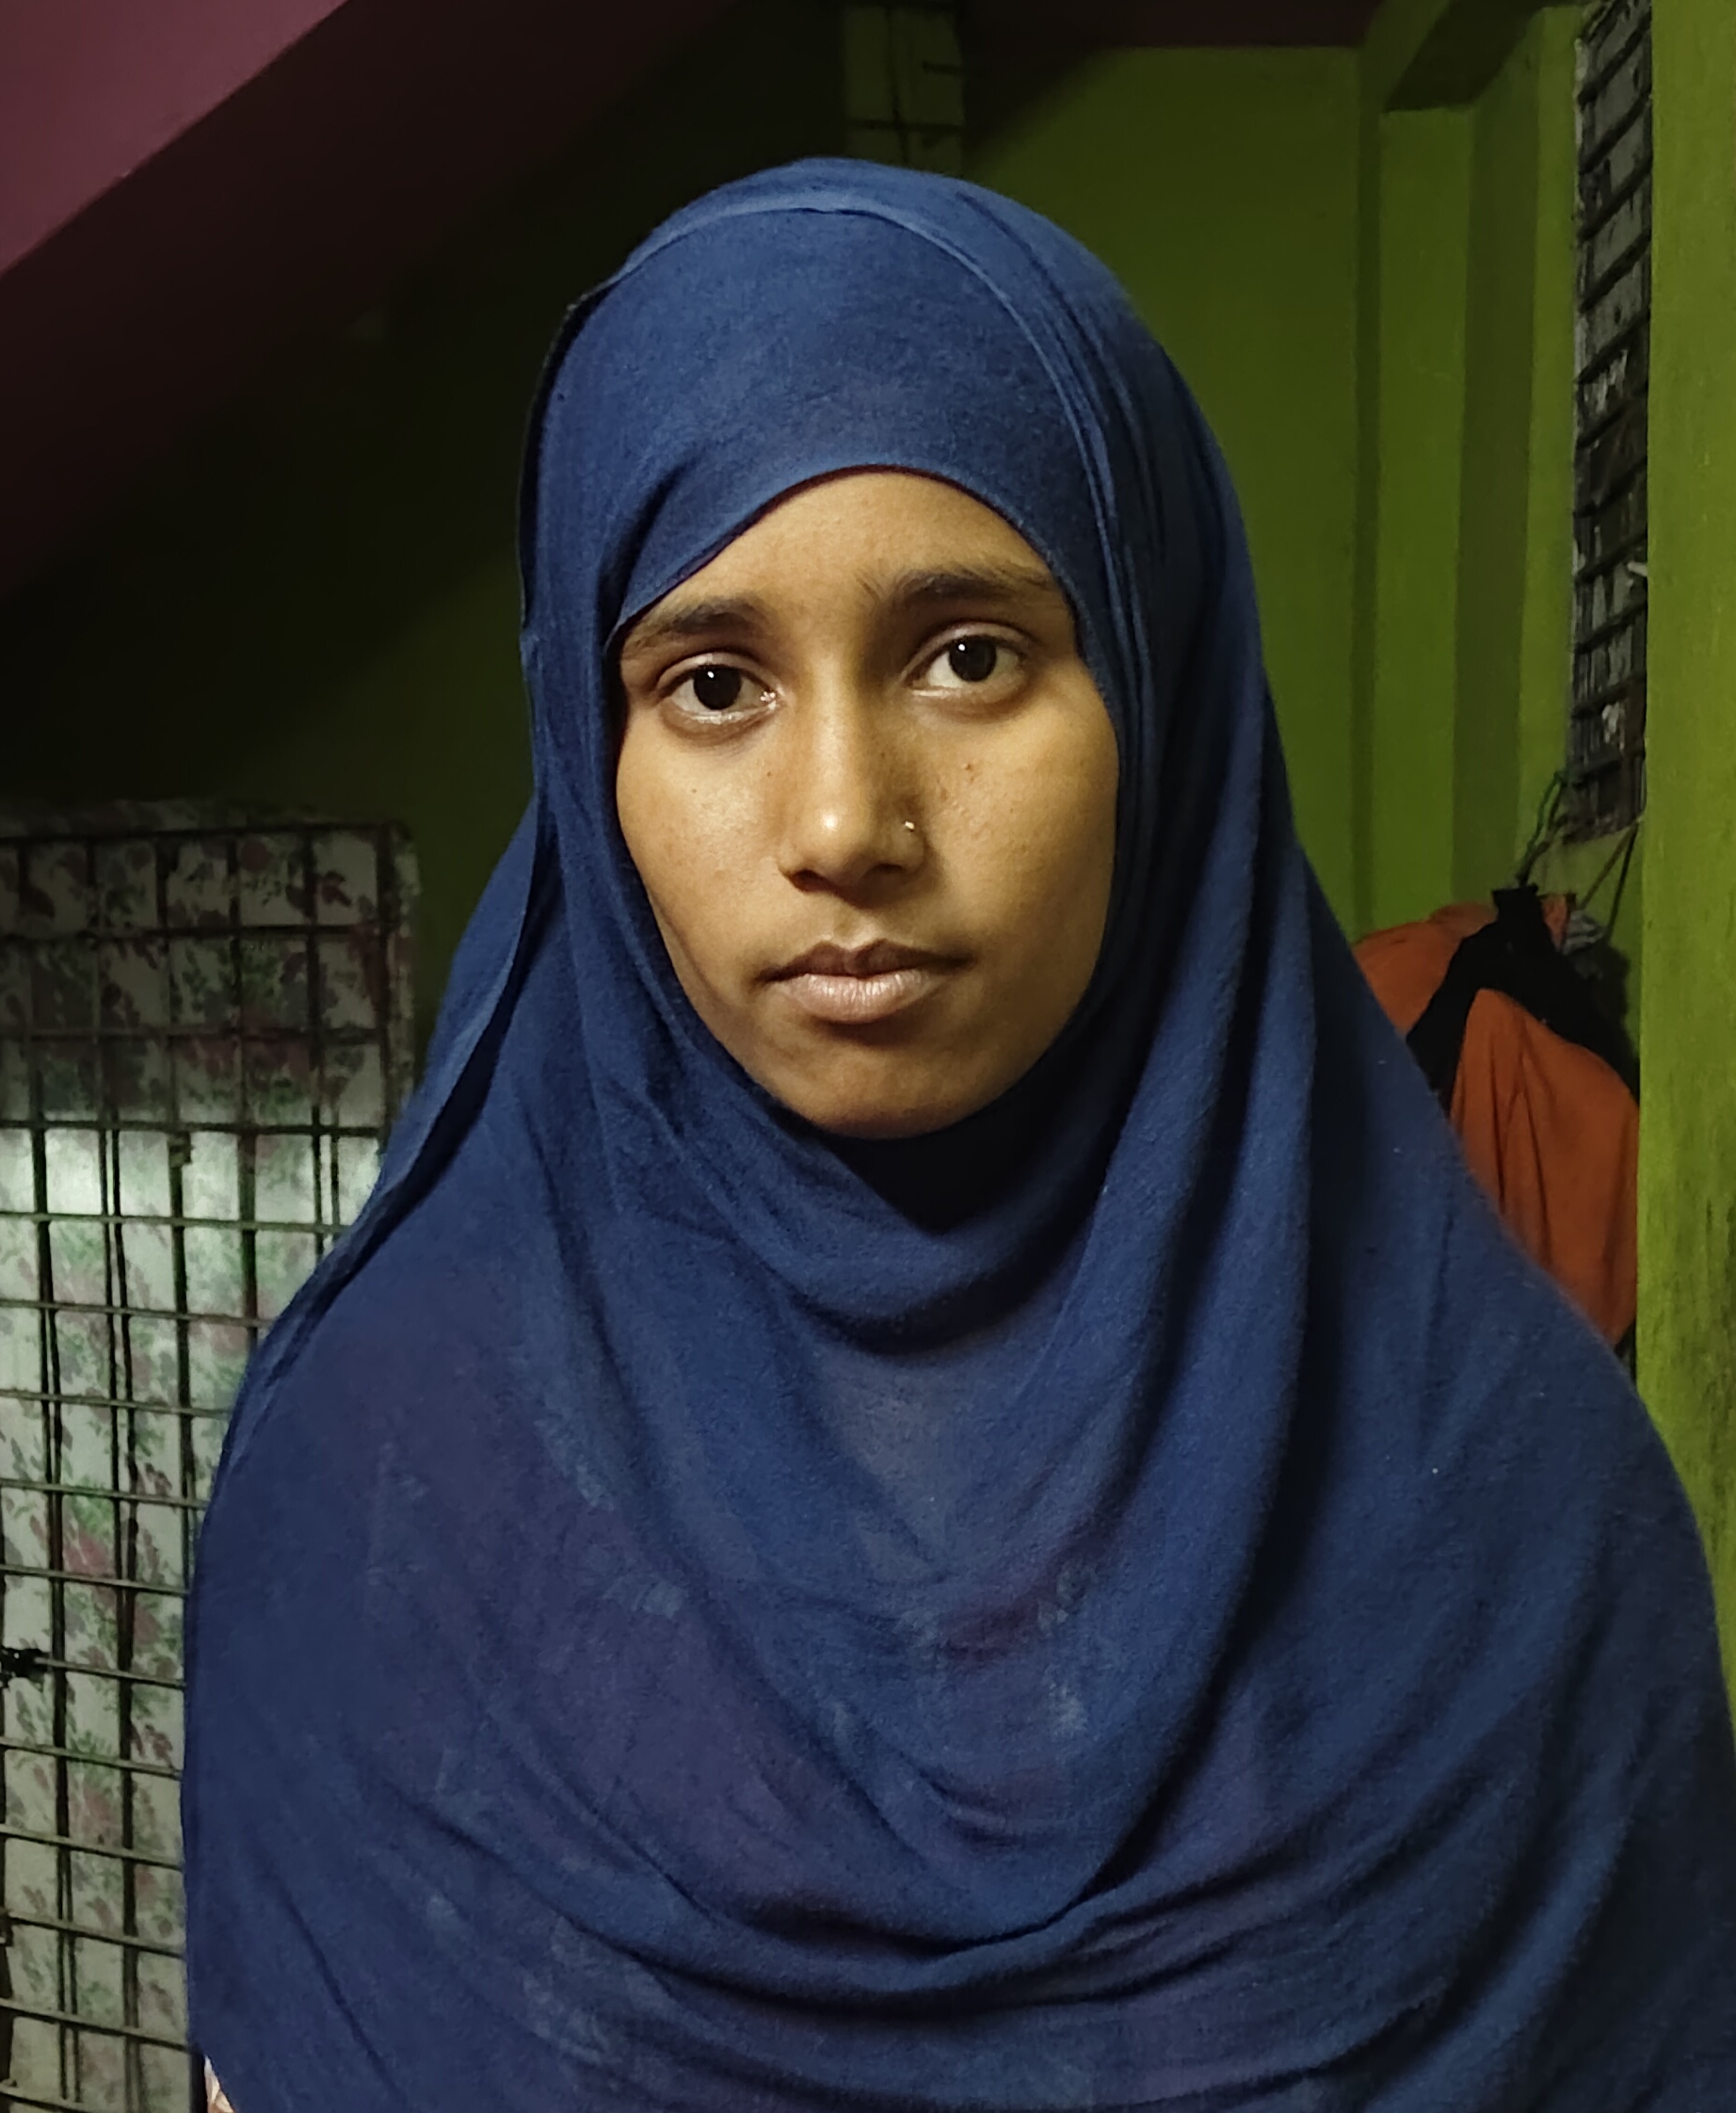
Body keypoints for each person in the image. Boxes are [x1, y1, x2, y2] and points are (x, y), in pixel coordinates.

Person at [185, 162, 1736, 2110]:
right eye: (713, 685)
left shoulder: (1507, 1515)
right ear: (590, 752)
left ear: (1161, 690)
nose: (845, 822)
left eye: (969, 655)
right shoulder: (378, 1485)